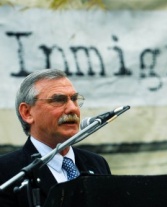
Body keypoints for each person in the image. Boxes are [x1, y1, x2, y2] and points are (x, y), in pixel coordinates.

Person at [0, 69, 111, 207]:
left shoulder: (97, 163)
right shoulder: (6, 172)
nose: (72, 108)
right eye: (58, 100)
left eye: (75, 99)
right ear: (27, 112)